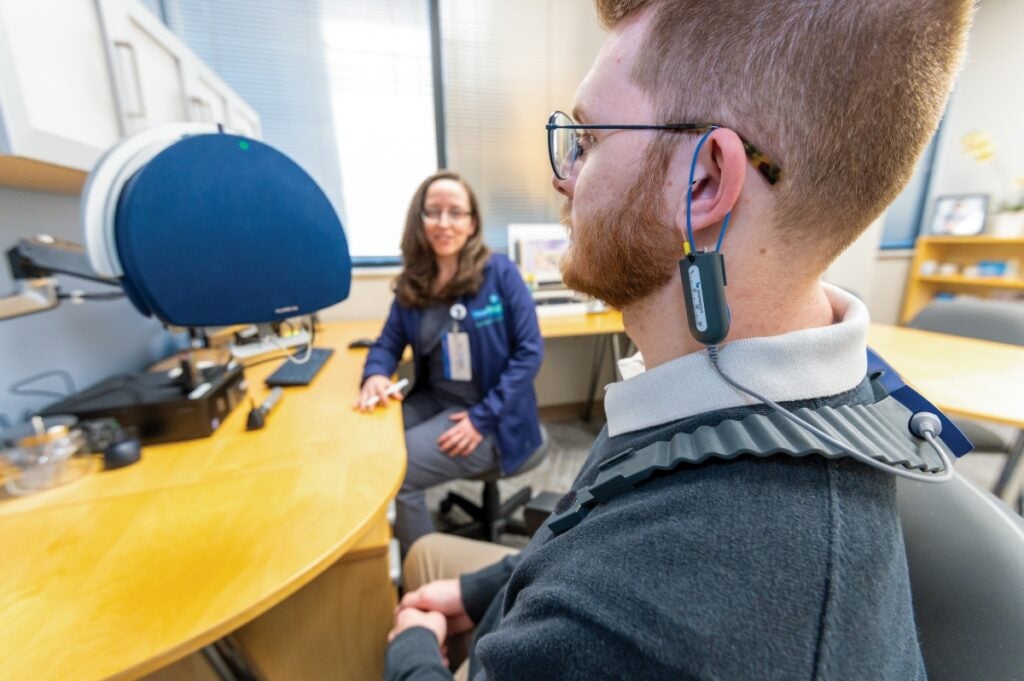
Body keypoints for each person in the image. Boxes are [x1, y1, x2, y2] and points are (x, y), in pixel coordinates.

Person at [383, 1, 974, 679]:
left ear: (704, 180)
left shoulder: (629, 622)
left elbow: (598, 576)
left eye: (589, 138)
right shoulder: (737, 386)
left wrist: (409, 647)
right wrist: (476, 592)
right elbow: (592, 514)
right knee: (432, 562)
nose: (562, 174)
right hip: (532, 583)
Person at [357, 170, 543, 552]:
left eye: (456, 212)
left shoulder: (500, 274)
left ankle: (428, 575)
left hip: (491, 414)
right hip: (436, 400)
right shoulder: (416, 280)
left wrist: (482, 418)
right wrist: (375, 373)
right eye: (433, 212)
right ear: (419, 219)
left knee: (396, 470)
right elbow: (387, 343)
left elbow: (530, 353)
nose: (444, 223)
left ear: (472, 222)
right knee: (368, 440)